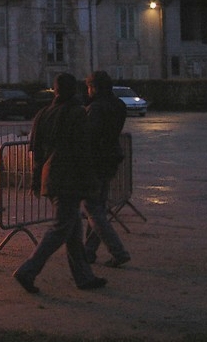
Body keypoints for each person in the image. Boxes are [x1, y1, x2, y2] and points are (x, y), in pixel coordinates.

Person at [13, 73, 107, 293]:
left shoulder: (44, 114)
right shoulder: (77, 113)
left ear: (55, 90)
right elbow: (83, 150)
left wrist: (37, 178)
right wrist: (90, 180)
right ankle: (28, 270)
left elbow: (35, 151)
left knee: (72, 229)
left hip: (51, 175)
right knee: (61, 228)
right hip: (69, 177)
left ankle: (84, 277)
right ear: (74, 90)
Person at [83, 70, 131, 267]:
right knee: (98, 207)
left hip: (95, 162)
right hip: (111, 159)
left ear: (94, 87)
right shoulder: (118, 105)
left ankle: (118, 251)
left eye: (88, 87)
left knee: (92, 209)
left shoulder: (95, 109)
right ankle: (88, 252)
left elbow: (89, 138)